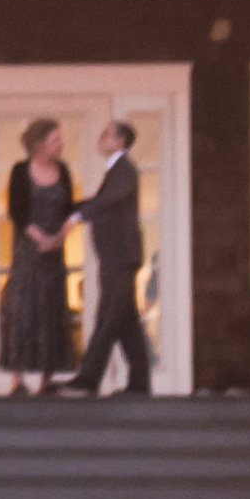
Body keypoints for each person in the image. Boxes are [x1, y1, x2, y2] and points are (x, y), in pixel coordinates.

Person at [68, 118, 154, 396]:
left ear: (119, 141)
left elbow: (108, 200)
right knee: (126, 322)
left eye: (107, 134)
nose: (101, 138)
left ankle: (88, 378)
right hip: (115, 259)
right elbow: (102, 200)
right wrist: (71, 208)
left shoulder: (124, 170)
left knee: (107, 319)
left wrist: (79, 215)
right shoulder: (117, 170)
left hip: (120, 259)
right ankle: (140, 384)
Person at [0, 116, 78, 395]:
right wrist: (40, 237)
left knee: (51, 307)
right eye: (55, 140)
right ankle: (17, 378)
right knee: (23, 308)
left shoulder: (64, 170)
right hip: (27, 251)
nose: (60, 145)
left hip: (54, 253)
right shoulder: (21, 171)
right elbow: (16, 211)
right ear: (39, 144)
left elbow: (69, 208)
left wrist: (61, 235)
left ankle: (47, 378)